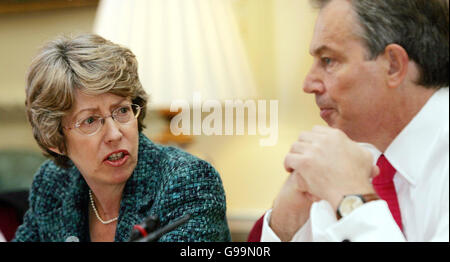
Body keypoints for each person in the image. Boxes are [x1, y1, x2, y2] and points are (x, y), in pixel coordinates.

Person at [250, 0, 449, 242]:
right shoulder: (344, 156)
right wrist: (285, 222)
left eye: (328, 61)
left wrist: (353, 199)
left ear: (393, 65)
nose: (308, 84)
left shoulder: (345, 178)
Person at [12, 34, 231, 242]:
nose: (115, 134)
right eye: (90, 120)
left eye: (122, 111)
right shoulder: (53, 184)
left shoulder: (189, 182)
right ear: (55, 140)